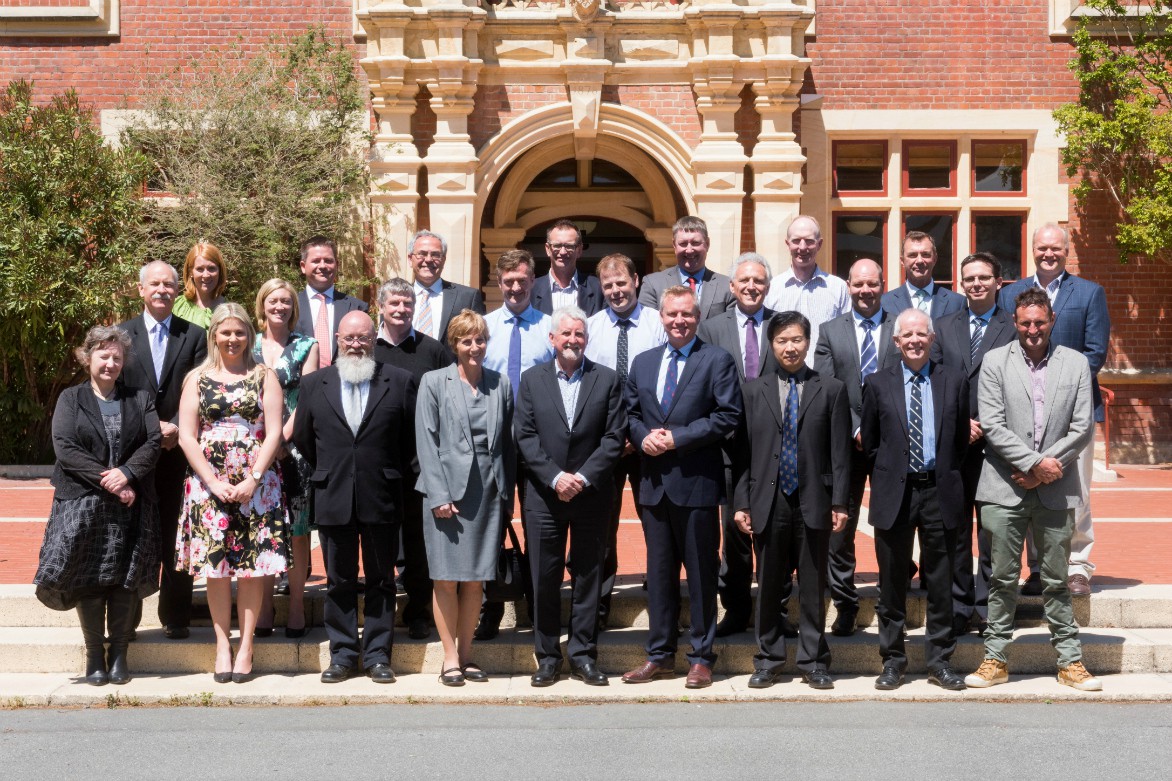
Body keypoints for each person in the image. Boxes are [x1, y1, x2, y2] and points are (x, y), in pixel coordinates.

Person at [965, 288, 1102, 691]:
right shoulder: (994, 361)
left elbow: (1082, 427)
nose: (1032, 329)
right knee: (1002, 578)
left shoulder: (1075, 363)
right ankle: (995, 659)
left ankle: (1070, 661)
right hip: (1003, 486)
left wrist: (1043, 469)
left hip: (1055, 487)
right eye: (1025, 322)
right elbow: (992, 424)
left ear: (1052, 320)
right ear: (1015, 321)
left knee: (1056, 580)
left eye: (1039, 322)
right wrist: (1032, 464)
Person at [621, 285, 742, 689]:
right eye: (672, 314)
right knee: (659, 575)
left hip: (697, 484)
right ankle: (659, 655)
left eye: (687, 314)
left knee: (703, 575)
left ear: (697, 317)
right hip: (654, 485)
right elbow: (630, 414)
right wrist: (642, 438)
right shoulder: (643, 362)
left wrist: (677, 438)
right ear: (661, 317)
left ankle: (702, 658)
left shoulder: (716, 360)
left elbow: (728, 415)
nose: (679, 321)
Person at [34, 326, 161, 686]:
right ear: (87, 357)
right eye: (103, 355)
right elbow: (65, 447)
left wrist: (127, 474)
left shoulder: (140, 398)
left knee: (124, 577)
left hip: (132, 503)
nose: (110, 363)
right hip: (82, 502)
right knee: (89, 576)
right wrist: (111, 481)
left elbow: (153, 441)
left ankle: (119, 653)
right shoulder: (70, 398)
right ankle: (94, 656)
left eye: (117, 357)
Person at [294, 311, 416, 684]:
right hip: (333, 493)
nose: (356, 345)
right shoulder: (314, 384)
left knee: (381, 579)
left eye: (363, 338)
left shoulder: (400, 381)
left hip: (381, 493)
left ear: (374, 339)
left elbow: (410, 441)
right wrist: (333, 470)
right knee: (338, 580)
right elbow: (304, 438)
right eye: (349, 338)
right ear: (337, 340)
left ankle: (378, 656)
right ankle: (343, 655)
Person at [732, 311, 851, 689]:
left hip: (814, 498)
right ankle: (768, 659)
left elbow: (840, 453)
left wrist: (840, 502)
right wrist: (742, 502)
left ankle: (814, 661)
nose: (790, 347)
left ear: (808, 342)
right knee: (768, 584)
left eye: (796, 339)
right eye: (782, 340)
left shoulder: (831, 389)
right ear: (771, 345)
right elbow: (742, 454)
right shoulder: (753, 391)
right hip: (768, 499)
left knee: (813, 585)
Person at [176, 303, 288, 684]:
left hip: (257, 485)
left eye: (239, 332)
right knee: (217, 567)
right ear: (214, 336)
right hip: (208, 485)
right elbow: (187, 436)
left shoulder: (265, 376)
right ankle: (223, 645)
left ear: (249, 336)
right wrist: (212, 481)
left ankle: (246, 646)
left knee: (252, 568)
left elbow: (274, 431)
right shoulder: (196, 378)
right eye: (225, 332)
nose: (232, 339)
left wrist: (253, 478)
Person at [515, 306, 626, 687]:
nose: (573, 340)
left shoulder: (607, 379)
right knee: (544, 578)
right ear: (552, 338)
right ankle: (547, 657)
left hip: (591, 495)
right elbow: (524, 435)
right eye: (566, 334)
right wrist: (555, 477)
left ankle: (582, 656)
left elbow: (614, 437)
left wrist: (581, 477)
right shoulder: (531, 380)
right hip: (544, 498)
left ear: (586, 339)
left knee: (588, 577)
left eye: (579, 334)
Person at [997, 223, 1110, 597]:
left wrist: (1062, 391)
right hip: (1024, 412)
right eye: (1042, 247)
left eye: (1056, 248)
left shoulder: (1089, 293)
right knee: (1031, 490)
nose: (1048, 254)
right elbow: (1003, 349)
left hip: (1075, 413)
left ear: (1066, 251)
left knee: (1076, 492)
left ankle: (1077, 567)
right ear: (1032, 249)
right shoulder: (1009, 294)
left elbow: (1095, 353)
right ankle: (1039, 568)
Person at [860, 308, 969, 691]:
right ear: (896, 341)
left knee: (940, 582)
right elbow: (871, 443)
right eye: (907, 335)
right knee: (892, 583)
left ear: (932, 338)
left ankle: (940, 661)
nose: (915, 340)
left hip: (940, 491)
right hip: (896, 493)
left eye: (921, 334)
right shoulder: (877, 383)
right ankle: (892, 661)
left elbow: (959, 441)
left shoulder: (953, 381)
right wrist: (891, 473)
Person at [415, 310, 515, 686]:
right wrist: (438, 495)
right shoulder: (433, 382)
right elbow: (426, 441)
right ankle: (449, 658)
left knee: (475, 581)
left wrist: (507, 494)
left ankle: (467, 654)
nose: (474, 347)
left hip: (488, 493)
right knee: (445, 579)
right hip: (446, 495)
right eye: (466, 340)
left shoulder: (500, 384)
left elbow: (507, 445)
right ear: (454, 345)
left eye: (480, 340)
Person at [117, 260, 207, 639]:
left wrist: (178, 428)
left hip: (178, 451)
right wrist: (152, 428)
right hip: (134, 453)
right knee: (132, 536)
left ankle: (176, 616)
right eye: (154, 284)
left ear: (177, 290)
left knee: (177, 532)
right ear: (141, 290)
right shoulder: (121, 334)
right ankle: (126, 621)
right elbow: (115, 392)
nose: (161, 290)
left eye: (168, 284)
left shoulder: (195, 335)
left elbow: (202, 387)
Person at [929, 252, 1016, 636]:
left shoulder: (1013, 328)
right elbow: (930, 380)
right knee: (957, 529)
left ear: (999, 282)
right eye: (969, 278)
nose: (976, 284)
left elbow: (1020, 387)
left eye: (983, 277)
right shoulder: (942, 326)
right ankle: (960, 608)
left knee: (994, 531)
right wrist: (958, 421)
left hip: (997, 448)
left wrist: (989, 425)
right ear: (961, 284)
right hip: (954, 444)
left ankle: (990, 609)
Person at [813, 258, 899, 636]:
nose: (866, 290)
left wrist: (876, 427)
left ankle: (890, 602)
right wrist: (856, 427)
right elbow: (827, 386)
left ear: (883, 285)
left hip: (891, 443)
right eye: (859, 284)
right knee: (841, 527)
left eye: (872, 283)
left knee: (891, 525)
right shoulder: (830, 331)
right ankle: (845, 604)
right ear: (848, 286)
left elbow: (906, 381)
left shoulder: (900, 327)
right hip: (844, 444)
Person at [697, 253, 778, 638]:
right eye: (744, 280)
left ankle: (774, 610)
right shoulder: (711, 328)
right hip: (728, 446)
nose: (751, 287)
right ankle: (736, 608)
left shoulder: (782, 324)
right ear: (732, 287)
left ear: (768, 286)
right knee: (733, 531)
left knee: (774, 532)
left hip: (774, 445)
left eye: (758, 281)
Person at [584, 253, 667, 627]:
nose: (616, 291)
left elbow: (666, 384)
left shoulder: (657, 324)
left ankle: (661, 599)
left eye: (621, 283)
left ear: (636, 281)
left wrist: (639, 433)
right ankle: (598, 606)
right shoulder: (590, 327)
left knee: (656, 523)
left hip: (650, 442)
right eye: (608, 285)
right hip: (604, 444)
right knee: (601, 526)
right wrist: (613, 435)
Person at [476, 249, 554, 639]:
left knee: (540, 527)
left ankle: (540, 608)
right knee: (491, 525)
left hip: (540, 443)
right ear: (498, 282)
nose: (515, 287)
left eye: (522, 280)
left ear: (533, 281)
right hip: (494, 443)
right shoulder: (484, 328)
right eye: (508, 281)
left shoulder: (550, 328)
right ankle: (491, 607)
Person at [373, 277, 454, 640]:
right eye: (394, 303)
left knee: (419, 541)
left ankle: (418, 611)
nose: (401, 309)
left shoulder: (432, 350)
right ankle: (381, 614)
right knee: (380, 541)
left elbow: (448, 401)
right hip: (377, 460)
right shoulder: (366, 348)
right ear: (381, 307)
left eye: (407, 303)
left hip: (422, 461)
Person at [252, 278, 320, 639]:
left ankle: (295, 605)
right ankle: (264, 606)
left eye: (286, 301)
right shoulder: (247, 344)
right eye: (273, 300)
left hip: (293, 450)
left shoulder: (307, 346)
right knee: (262, 527)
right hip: (253, 448)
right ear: (262, 305)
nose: (279, 306)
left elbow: (307, 397)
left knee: (297, 531)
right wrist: (265, 443)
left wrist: (280, 438)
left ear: (294, 307)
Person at [763, 215, 850, 353]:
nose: (802, 247)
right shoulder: (772, 288)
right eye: (796, 241)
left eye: (809, 241)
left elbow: (847, 336)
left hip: (825, 366)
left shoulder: (838, 288)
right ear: (787, 244)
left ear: (819, 244)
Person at [637, 215, 734, 319]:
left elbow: (731, 325)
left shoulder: (726, 286)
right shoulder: (653, 284)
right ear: (674, 245)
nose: (689, 250)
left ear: (707, 244)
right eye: (683, 243)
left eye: (695, 243)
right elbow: (648, 324)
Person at [295, 235, 369, 369]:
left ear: (337, 265)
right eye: (316, 261)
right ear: (303, 266)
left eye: (328, 261)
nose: (322, 266)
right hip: (301, 381)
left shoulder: (356, 308)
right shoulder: (290, 307)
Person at [407, 229, 486, 348]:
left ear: (443, 260)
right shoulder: (396, 299)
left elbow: (480, 340)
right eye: (422, 254)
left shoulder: (468, 297)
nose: (428, 259)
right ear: (410, 259)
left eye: (435, 254)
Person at [880, 231, 965, 320]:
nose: (919, 261)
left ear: (935, 259)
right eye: (912, 255)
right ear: (902, 261)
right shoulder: (885, 303)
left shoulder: (957, 302)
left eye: (925, 255)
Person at [529, 219, 604, 317]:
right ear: (547, 249)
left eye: (569, 246)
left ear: (579, 250)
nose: (563, 252)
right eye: (557, 245)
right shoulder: (530, 289)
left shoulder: (598, 288)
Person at [171, 242, 227, 329]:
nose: (206, 275)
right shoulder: (175, 307)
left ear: (220, 271)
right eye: (200, 269)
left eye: (211, 268)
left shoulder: (229, 311)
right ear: (191, 272)